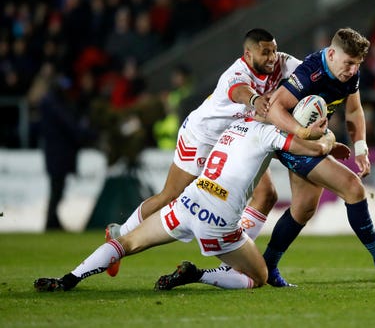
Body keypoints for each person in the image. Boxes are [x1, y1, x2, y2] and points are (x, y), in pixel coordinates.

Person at [34, 115, 340, 291]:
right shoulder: (269, 133)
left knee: (127, 242)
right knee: (258, 277)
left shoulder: (235, 125)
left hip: (190, 200)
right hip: (217, 218)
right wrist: (325, 139)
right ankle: (198, 274)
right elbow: (306, 149)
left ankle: (68, 279)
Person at [103, 28, 304, 276]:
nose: (272, 57)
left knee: (267, 195)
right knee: (171, 195)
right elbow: (241, 91)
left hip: (234, 138)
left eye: (273, 50)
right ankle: (118, 234)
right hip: (202, 137)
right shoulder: (236, 73)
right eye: (265, 52)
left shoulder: (282, 62)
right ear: (248, 54)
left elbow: (309, 73)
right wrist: (254, 101)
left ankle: (232, 265)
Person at [261, 27, 375, 286]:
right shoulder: (311, 73)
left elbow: (354, 111)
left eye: (357, 64)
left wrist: (361, 149)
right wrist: (302, 134)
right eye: (349, 63)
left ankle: (267, 266)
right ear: (331, 54)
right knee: (352, 187)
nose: (353, 70)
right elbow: (275, 108)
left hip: (308, 140)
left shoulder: (348, 73)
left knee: (304, 208)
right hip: (286, 140)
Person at [40, 75, 95, 230]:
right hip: (58, 153)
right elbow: (70, 126)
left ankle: (53, 221)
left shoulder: (53, 102)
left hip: (57, 153)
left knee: (58, 188)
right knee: (57, 188)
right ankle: (51, 222)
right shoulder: (54, 104)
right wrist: (89, 134)